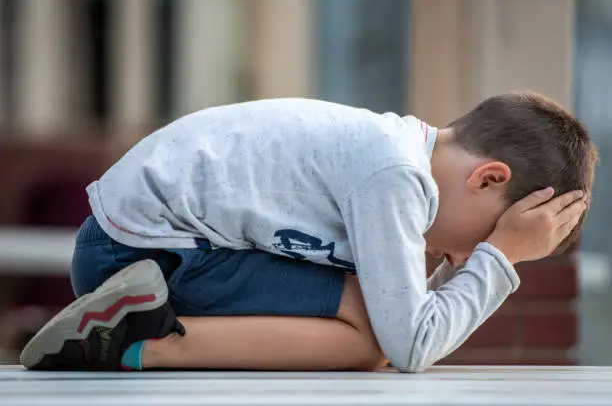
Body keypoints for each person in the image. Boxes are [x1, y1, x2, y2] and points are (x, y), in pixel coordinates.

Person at [20, 91, 596, 373]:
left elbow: (409, 321)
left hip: (141, 248)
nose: (455, 258)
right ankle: (139, 343)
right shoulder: (396, 176)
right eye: (474, 244)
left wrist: (485, 251)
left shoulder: (392, 154)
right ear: (489, 177)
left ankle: (133, 329)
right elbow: (413, 347)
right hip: (143, 253)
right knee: (371, 337)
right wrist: (500, 261)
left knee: (369, 334)